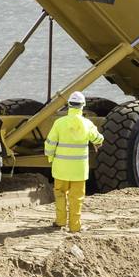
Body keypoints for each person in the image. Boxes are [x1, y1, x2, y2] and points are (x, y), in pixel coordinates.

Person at [44, 90, 104, 232]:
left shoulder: (59, 123)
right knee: (76, 198)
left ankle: (60, 222)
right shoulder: (87, 124)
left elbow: (50, 143)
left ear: (69, 105)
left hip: (61, 169)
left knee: (60, 194)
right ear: (82, 106)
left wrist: (51, 158)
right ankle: (75, 226)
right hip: (79, 170)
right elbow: (98, 138)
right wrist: (98, 142)